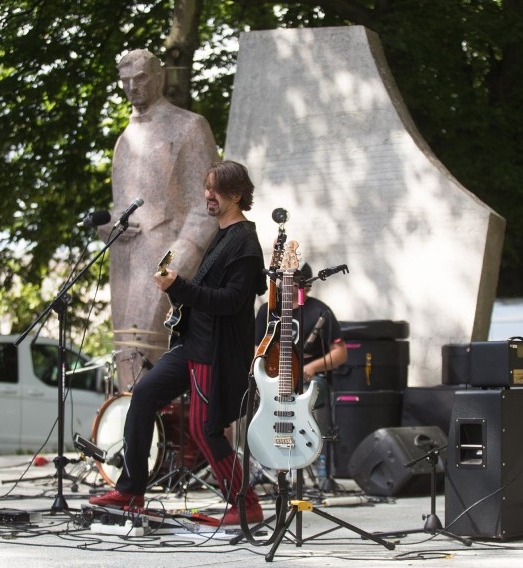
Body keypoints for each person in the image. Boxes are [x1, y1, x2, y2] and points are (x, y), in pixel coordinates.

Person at [89, 160, 267, 525]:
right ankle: (131, 489)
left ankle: (245, 503)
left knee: (206, 428)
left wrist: (179, 287)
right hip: (192, 346)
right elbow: (205, 295)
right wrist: (177, 294)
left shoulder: (245, 243)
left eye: (215, 190)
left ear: (237, 195)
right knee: (143, 395)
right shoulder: (222, 236)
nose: (208, 195)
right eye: (207, 188)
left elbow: (232, 301)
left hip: (215, 351)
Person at [100, 49, 219, 391]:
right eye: (125, 82)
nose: (132, 88)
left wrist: (182, 254)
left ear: (159, 77)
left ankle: (150, 436)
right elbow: (124, 203)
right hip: (124, 261)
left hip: (165, 256)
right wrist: (109, 224)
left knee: (147, 355)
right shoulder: (125, 140)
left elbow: (207, 202)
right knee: (126, 355)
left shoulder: (188, 126)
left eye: (139, 78)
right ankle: (133, 437)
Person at [254, 263, 347, 445]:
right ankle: (266, 447)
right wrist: (260, 378)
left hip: (311, 379)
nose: (287, 286)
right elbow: (257, 349)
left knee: (302, 394)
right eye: (285, 281)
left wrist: (312, 367)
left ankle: (305, 444)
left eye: (294, 283)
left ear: (306, 286)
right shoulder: (268, 311)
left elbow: (340, 354)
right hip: (274, 378)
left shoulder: (320, 311)